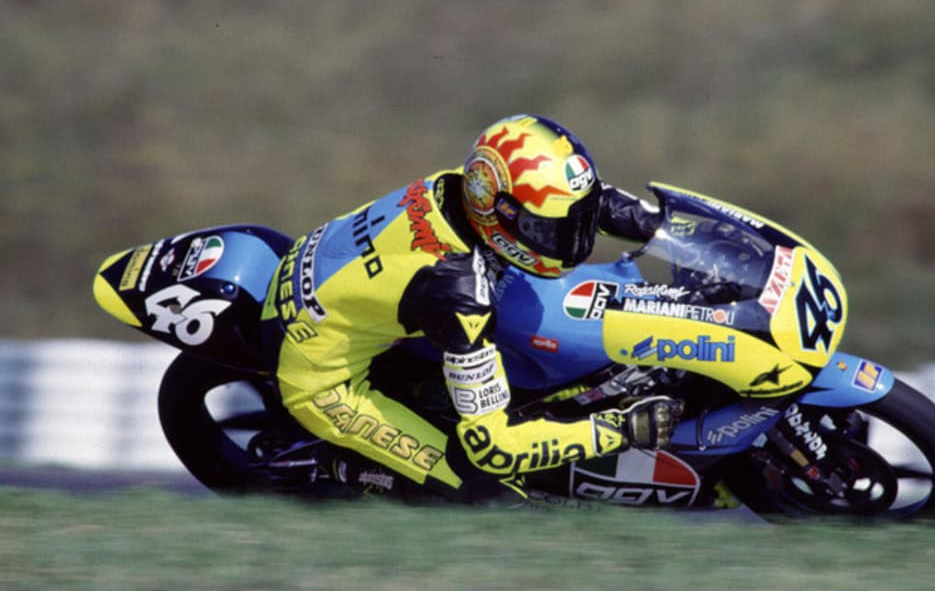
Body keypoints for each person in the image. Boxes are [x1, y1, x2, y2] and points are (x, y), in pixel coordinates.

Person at [262, 114, 682, 501]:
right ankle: (332, 464)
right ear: (500, 218)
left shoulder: (467, 185)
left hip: (320, 281)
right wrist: (620, 430)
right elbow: (494, 447)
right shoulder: (461, 291)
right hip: (319, 379)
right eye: (548, 231)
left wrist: (668, 231)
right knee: (488, 494)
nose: (572, 240)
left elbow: (589, 202)